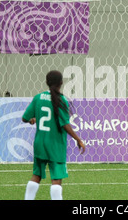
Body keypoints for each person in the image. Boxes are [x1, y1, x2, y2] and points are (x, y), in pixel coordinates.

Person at [23, 70, 85, 200]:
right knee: (56, 179)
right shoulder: (61, 100)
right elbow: (65, 124)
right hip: (55, 145)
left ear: (46, 82)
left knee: (36, 175)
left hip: (40, 143)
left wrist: (32, 119)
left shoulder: (38, 97)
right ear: (61, 83)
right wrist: (78, 139)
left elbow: (25, 118)